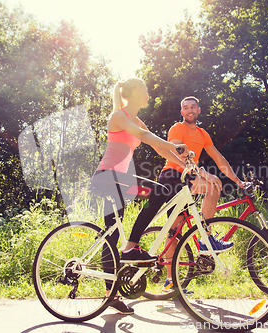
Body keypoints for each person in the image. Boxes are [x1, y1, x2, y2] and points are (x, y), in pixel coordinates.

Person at [91, 78, 188, 314]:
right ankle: (131, 248)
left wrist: (183, 164)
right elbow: (144, 137)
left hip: (119, 180)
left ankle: (110, 293)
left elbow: (157, 146)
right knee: (160, 191)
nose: (148, 94)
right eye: (145, 90)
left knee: (111, 233)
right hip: (108, 176)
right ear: (136, 91)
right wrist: (176, 146)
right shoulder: (119, 117)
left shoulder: (135, 119)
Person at [157, 96, 244, 293]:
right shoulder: (177, 129)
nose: (189, 110)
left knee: (176, 229)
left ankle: (171, 282)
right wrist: (205, 173)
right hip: (173, 175)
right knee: (212, 186)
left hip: (188, 178)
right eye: (185, 107)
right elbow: (179, 155)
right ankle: (206, 239)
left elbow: (219, 159)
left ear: (198, 110)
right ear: (182, 112)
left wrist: (237, 181)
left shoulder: (203, 134)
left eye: (193, 107)